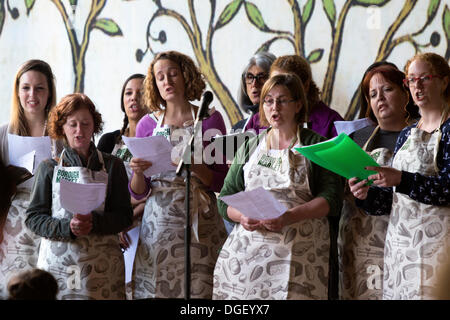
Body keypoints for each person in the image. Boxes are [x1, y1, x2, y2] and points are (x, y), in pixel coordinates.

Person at [213, 73, 343, 300]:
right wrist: (242, 216)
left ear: (298, 104)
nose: (275, 107)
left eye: (282, 100)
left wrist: (290, 216)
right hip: (248, 258)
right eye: (268, 100)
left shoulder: (316, 144)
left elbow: (332, 198)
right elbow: (225, 197)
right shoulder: (250, 146)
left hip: (299, 255)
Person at [128, 50, 228, 299]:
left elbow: (222, 179)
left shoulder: (210, 118)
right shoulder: (147, 124)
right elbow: (139, 191)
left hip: (200, 218)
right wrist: (138, 173)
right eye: (160, 77)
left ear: (186, 76)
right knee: (158, 286)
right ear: (154, 84)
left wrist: (195, 167)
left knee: (201, 288)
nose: (167, 81)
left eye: (173, 74)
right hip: (159, 222)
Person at [349, 52, 450, 300]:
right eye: (411, 80)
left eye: (424, 78)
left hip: (438, 251)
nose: (417, 86)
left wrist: (401, 179)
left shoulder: (448, 129)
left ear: (444, 82)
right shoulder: (407, 134)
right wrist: (365, 195)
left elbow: (448, 189)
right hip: (400, 252)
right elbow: (390, 201)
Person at [25, 93, 133, 300]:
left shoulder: (113, 165)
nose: (79, 131)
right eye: (72, 124)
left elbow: (124, 216)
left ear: (94, 125)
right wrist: (68, 228)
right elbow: (33, 218)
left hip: (103, 268)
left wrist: (95, 223)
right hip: (58, 268)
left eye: (85, 124)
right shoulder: (48, 168)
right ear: (61, 127)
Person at [338, 62, 419, 300]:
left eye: (387, 90)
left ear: (406, 92)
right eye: (373, 94)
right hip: (358, 243)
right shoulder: (355, 139)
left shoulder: (421, 135)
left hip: (406, 243)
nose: (379, 98)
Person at [0, 59, 62, 299]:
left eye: (39, 88)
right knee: (13, 288)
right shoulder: (4, 134)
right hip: (12, 224)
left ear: (49, 93)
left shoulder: (61, 135)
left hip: (50, 219)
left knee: (47, 286)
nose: (32, 94)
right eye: (26, 87)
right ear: (17, 91)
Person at [97, 73, 149, 247]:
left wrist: (125, 221)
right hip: (110, 223)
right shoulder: (109, 141)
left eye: (141, 93)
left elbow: (155, 192)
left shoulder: (156, 140)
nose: (134, 98)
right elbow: (97, 185)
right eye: (128, 93)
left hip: (146, 224)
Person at [231, 51, 276, 133]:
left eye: (261, 77)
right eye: (250, 77)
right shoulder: (237, 129)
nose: (254, 84)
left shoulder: (282, 125)